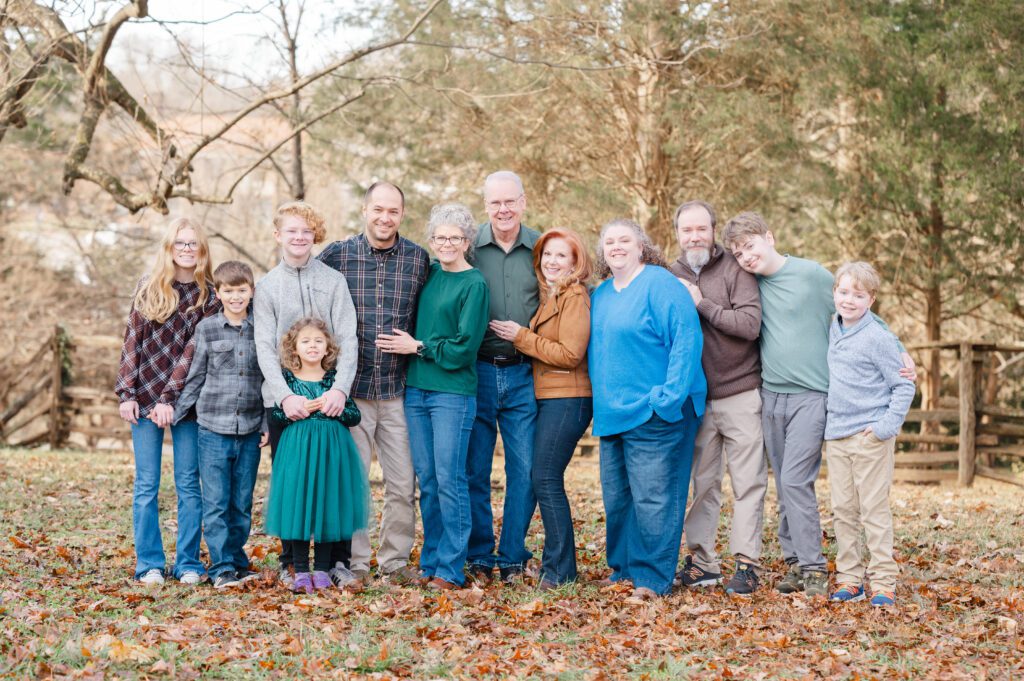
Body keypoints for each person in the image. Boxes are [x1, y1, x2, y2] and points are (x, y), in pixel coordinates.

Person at [723, 212, 914, 598]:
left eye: (750, 246)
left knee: (796, 479)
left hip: (812, 396)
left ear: (770, 237)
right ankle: (795, 563)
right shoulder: (748, 282)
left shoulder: (811, 275)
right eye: (738, 252)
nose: (745, 256)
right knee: (784, 483)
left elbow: (856, 301)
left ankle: (813, 568)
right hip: (771, 394)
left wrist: (898, 348)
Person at [317, 182, 430, 584]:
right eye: (378, 210)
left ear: (402, 214)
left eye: (394, 211)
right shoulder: (336, 255)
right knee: (354, 482)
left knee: (403, 483)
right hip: (353, 392)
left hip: (400, 391)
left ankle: (395, 562)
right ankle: (356, 564)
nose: (386, 218)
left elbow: (430, 315)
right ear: (365, 210)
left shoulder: (418, 259)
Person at [588, 218, 706, 599]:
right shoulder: (601, 294)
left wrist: (667, 398)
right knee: (619, 498)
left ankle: (652, 579)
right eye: (610, 241)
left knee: (655, 497)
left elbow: (686, 339)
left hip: (657, 410)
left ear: (642, 247)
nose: (617, 246)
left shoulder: (660, 284)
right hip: (613, 414)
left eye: (625, 240)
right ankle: (624, 568)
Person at [377, 203, 489, 590]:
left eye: (454, 238)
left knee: (450, 478)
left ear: (467, 241)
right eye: (440, 238)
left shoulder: (474, 283)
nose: (446, 244)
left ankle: (451, 568)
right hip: (417, 391)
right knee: (426, 479)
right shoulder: (429, 273)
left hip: (452, 394)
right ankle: (431, 560)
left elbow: (464, 348)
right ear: (431, 241)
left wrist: (419, 347)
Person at [254, 201, 359, 589]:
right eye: (292, 231)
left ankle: (339, 562)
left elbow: (348, 337)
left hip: (329, 397)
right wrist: (283, 397)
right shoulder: (266, 287)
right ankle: (290, 562)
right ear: (278, 234)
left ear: (315, 236)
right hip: (286, 402)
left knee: (333, 480)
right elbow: (263, 346)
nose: (299, 238)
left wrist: (340, 389)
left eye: (306, 231)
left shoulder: (333, 281)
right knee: (291, 481)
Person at [667, 201, 766, 596]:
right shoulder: (668, 275)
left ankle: (746, 565)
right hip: (697, 399)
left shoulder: (735, 269)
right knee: (703, 484)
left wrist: (701, 303)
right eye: (687, 230)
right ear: (676, 233)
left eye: (701, 229)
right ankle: (703, 563)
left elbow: (749, 325)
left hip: (741, 391)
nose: (694, 237)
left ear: (712, 231)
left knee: (748, 484)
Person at [115, 217, 221, 585]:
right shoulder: (150, 287)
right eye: (181, 243)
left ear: (202, 249)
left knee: (189, 483)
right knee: (147, 484)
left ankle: (189, 562)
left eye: (193, 243)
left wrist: (171, 400)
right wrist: (126, 392)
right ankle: (149, 564)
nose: (187, 249)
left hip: (188, 402)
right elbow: (132, 341)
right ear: (169, 247)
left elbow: (193, 355)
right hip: (144, 398)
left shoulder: (210, 295)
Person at [490, 229, 593, 589]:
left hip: (569, 398)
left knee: (545, 478)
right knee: (543, 477)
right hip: (549, 397)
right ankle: (557, 566)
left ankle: (561, 570)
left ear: (576, 262)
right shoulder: (552, 297)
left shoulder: (574, 295)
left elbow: (570, 354)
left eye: (561, 256)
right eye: (547, 254)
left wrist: (520, 336)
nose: (552, 261)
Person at [172, 261, 267, 589]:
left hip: (251, 429)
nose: (236, 296)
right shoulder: (208, 328)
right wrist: (175, 411)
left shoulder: (262, 328)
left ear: (251, 291)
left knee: (241, 503)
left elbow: (270, 379)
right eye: (229, 291)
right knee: (215, 503)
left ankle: (237, 560)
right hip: (212, 430)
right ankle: (221, 567)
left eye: (242, 290)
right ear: (219, 293)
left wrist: (267, 422)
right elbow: (196, 375)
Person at [466, 170, 541, 584]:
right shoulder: (469, 247)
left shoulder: (541, 248)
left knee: (525, 469)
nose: (503, 209)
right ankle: (479, 553)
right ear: (486, 205)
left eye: (510, 201)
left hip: (524, 374)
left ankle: (512, 554)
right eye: (495, 203)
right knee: (475, 469)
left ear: (523, 201)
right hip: (475, 372)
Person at [824, 262, 914, 608]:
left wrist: (884, 428)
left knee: (873, 510)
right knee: (843, 510)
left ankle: (883, 582)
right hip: (838, 435)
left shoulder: (877, 337)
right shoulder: (835, 326)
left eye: (858, 295)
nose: (849, 300)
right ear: (835, 293)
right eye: (843, 292)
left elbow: (904, 384)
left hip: (869, 435)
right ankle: (850, 579)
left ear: (871, 300)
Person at [264, 318, 368, 594]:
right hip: (297, 451)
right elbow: (276, 415)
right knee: (298, 506)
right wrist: (298, 409)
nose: (312, 346)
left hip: (332, 452)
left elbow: (354, 415)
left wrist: (329, 407)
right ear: (294, 348)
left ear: (328, 348)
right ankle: (300, 570)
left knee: (327, 506)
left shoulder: (334, 380)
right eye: (306, 341)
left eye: (318, 341)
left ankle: (322, 569)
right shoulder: (287, 381)